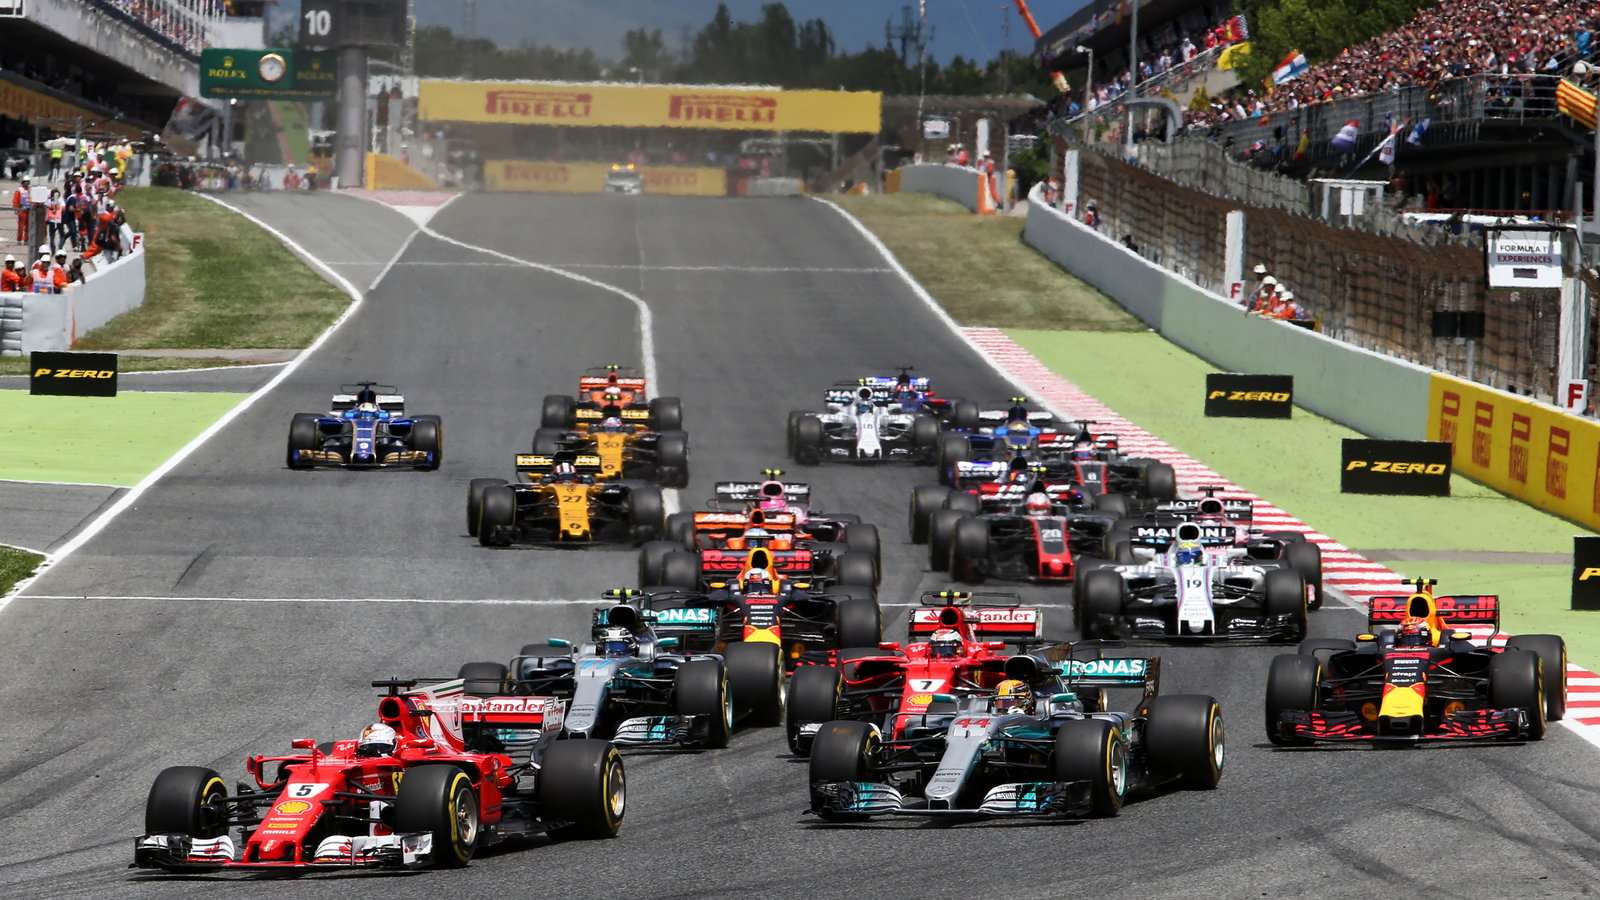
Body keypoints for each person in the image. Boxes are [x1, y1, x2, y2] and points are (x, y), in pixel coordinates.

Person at [11, 176, 31, 242]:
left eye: (28, 182)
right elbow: (15, 200)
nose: (26, 183)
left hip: (29, 210)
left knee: (28, 226)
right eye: (25, 182)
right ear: (22, 182)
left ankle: (26, 240)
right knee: (21, 226)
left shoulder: (30, 190)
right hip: (22, 210)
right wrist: (16, 209)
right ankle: (19, 239)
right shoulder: (19, 190)